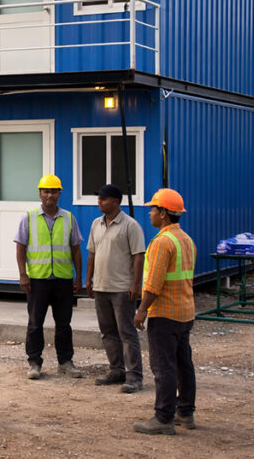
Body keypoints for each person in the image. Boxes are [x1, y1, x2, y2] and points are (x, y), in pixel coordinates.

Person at [132, 188, 197, 435]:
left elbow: (153, 285)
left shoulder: (162, 242)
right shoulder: (186, 240)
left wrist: (141, 310)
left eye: (153, 208)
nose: (149, 212)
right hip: (185, 312)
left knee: (163, 367)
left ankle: (163, 418)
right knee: (183, 364)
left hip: (165, 314)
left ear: (164, 213)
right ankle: (185, 412)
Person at [15, 174, 85, 380]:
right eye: (46, 191)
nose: (50, 195)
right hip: (37, 280)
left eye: (54, 191)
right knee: (35, 323)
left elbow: (76, 250)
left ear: (59, 193)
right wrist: (22, 275)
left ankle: (65, 362)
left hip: (63, 280)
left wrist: (78, 278)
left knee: (64, 324)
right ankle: (34, 362)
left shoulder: (69, 218)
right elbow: (20, 247)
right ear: (39, 193)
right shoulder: (28, 218)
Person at [85, 184, 146, 393]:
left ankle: (134, 376)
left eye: (104, 198)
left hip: (122, 288)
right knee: (107, 332)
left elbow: (139, 256)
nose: (99, 202)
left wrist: (135, 284)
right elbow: (92, 253)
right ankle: (116, 370)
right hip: (101, 286)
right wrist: (88, 279)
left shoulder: (130, 225)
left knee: (126, 332)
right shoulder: (96, 224)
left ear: (116, 202)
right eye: (99, 198)